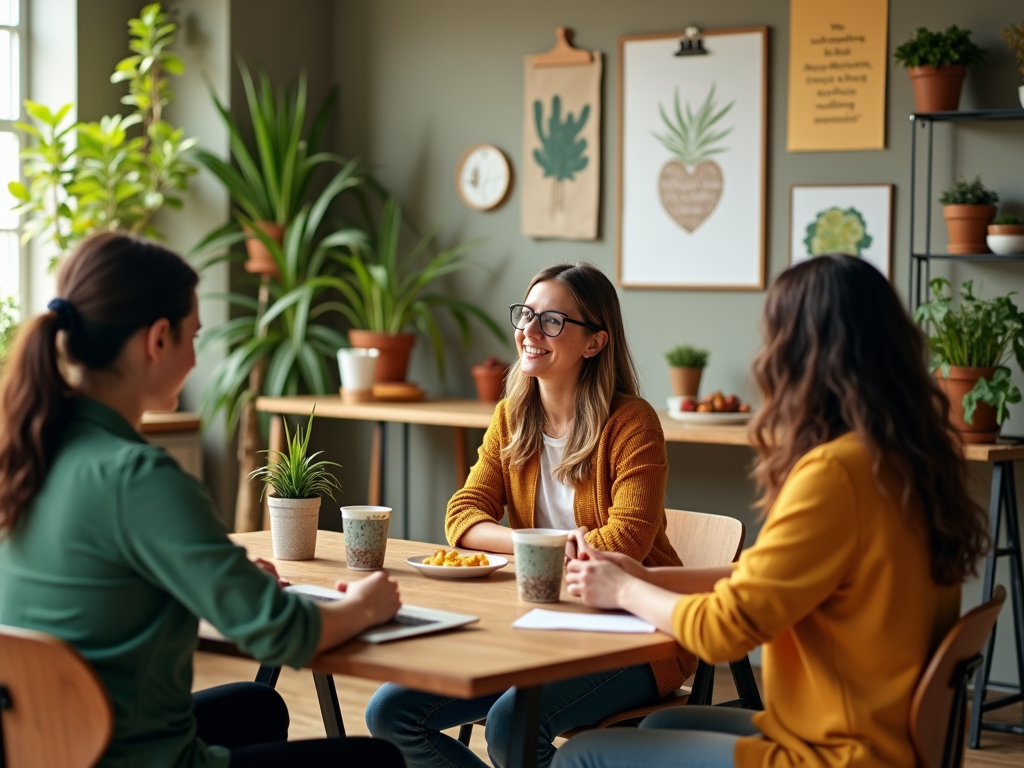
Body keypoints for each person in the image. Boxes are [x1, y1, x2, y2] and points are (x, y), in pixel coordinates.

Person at [554, 254, 992, 768]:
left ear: (799, 354)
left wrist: (625, 590)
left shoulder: (835, 474)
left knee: (584, 754)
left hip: (840, 754)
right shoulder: (903, 462)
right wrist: (651, 576)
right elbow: (766, 577)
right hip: (882, 733)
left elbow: (724, 630)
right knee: (663, 723)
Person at [0, 233, 406, 768]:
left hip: (43, 748)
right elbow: (283, 634)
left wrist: (222, 582)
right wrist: (365, 604)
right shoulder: (139, 477)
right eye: (194, 336)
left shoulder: (27, 452)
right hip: (134, 758)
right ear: (158, 339)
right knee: (374, 760)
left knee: (257, 707)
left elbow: (104, 590)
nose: (195, 358)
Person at [365, 262, 697, 768]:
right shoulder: (512, 416)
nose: (529, 331)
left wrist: (531, 547)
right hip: (535, 624)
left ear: (595, 342)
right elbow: (462, 514)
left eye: (553, 321)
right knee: (390, 713)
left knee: (509, 725)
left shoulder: (631, 422)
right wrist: (543, 546)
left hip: (635, 636)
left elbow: (625, 540)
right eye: (526, 315)